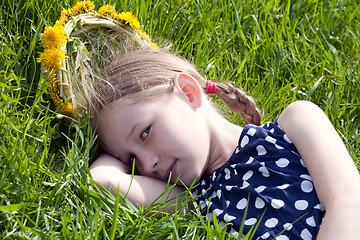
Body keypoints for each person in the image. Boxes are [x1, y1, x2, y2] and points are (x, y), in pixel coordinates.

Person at [88, 49, 360, 239]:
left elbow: (348, 201)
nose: (147, 164)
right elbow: (101, 179)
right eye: (131, 161)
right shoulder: (194, 201)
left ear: (188, 92)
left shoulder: (295, 123)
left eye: (145, 132)